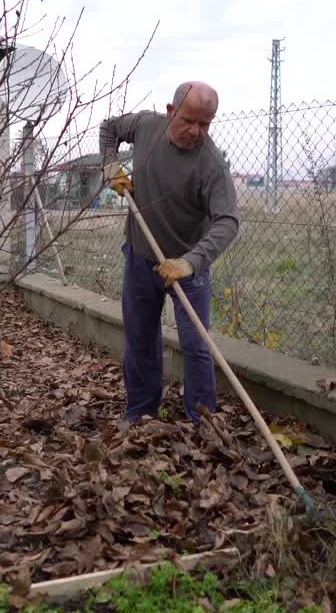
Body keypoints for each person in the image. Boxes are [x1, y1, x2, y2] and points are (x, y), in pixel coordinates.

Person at [98, 81, 240, 423]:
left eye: (205, 124)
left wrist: (191, 263)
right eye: (189, 120)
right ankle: (140, 411)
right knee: (140, 338)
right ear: (170, 112)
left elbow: (228, 221)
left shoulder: (211, 165)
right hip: (140, 255)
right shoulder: (147, 127)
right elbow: (109, 128)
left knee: (196, 346)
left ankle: (202, 420)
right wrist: (109, 165)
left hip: (187, 267)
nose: (196, 131)